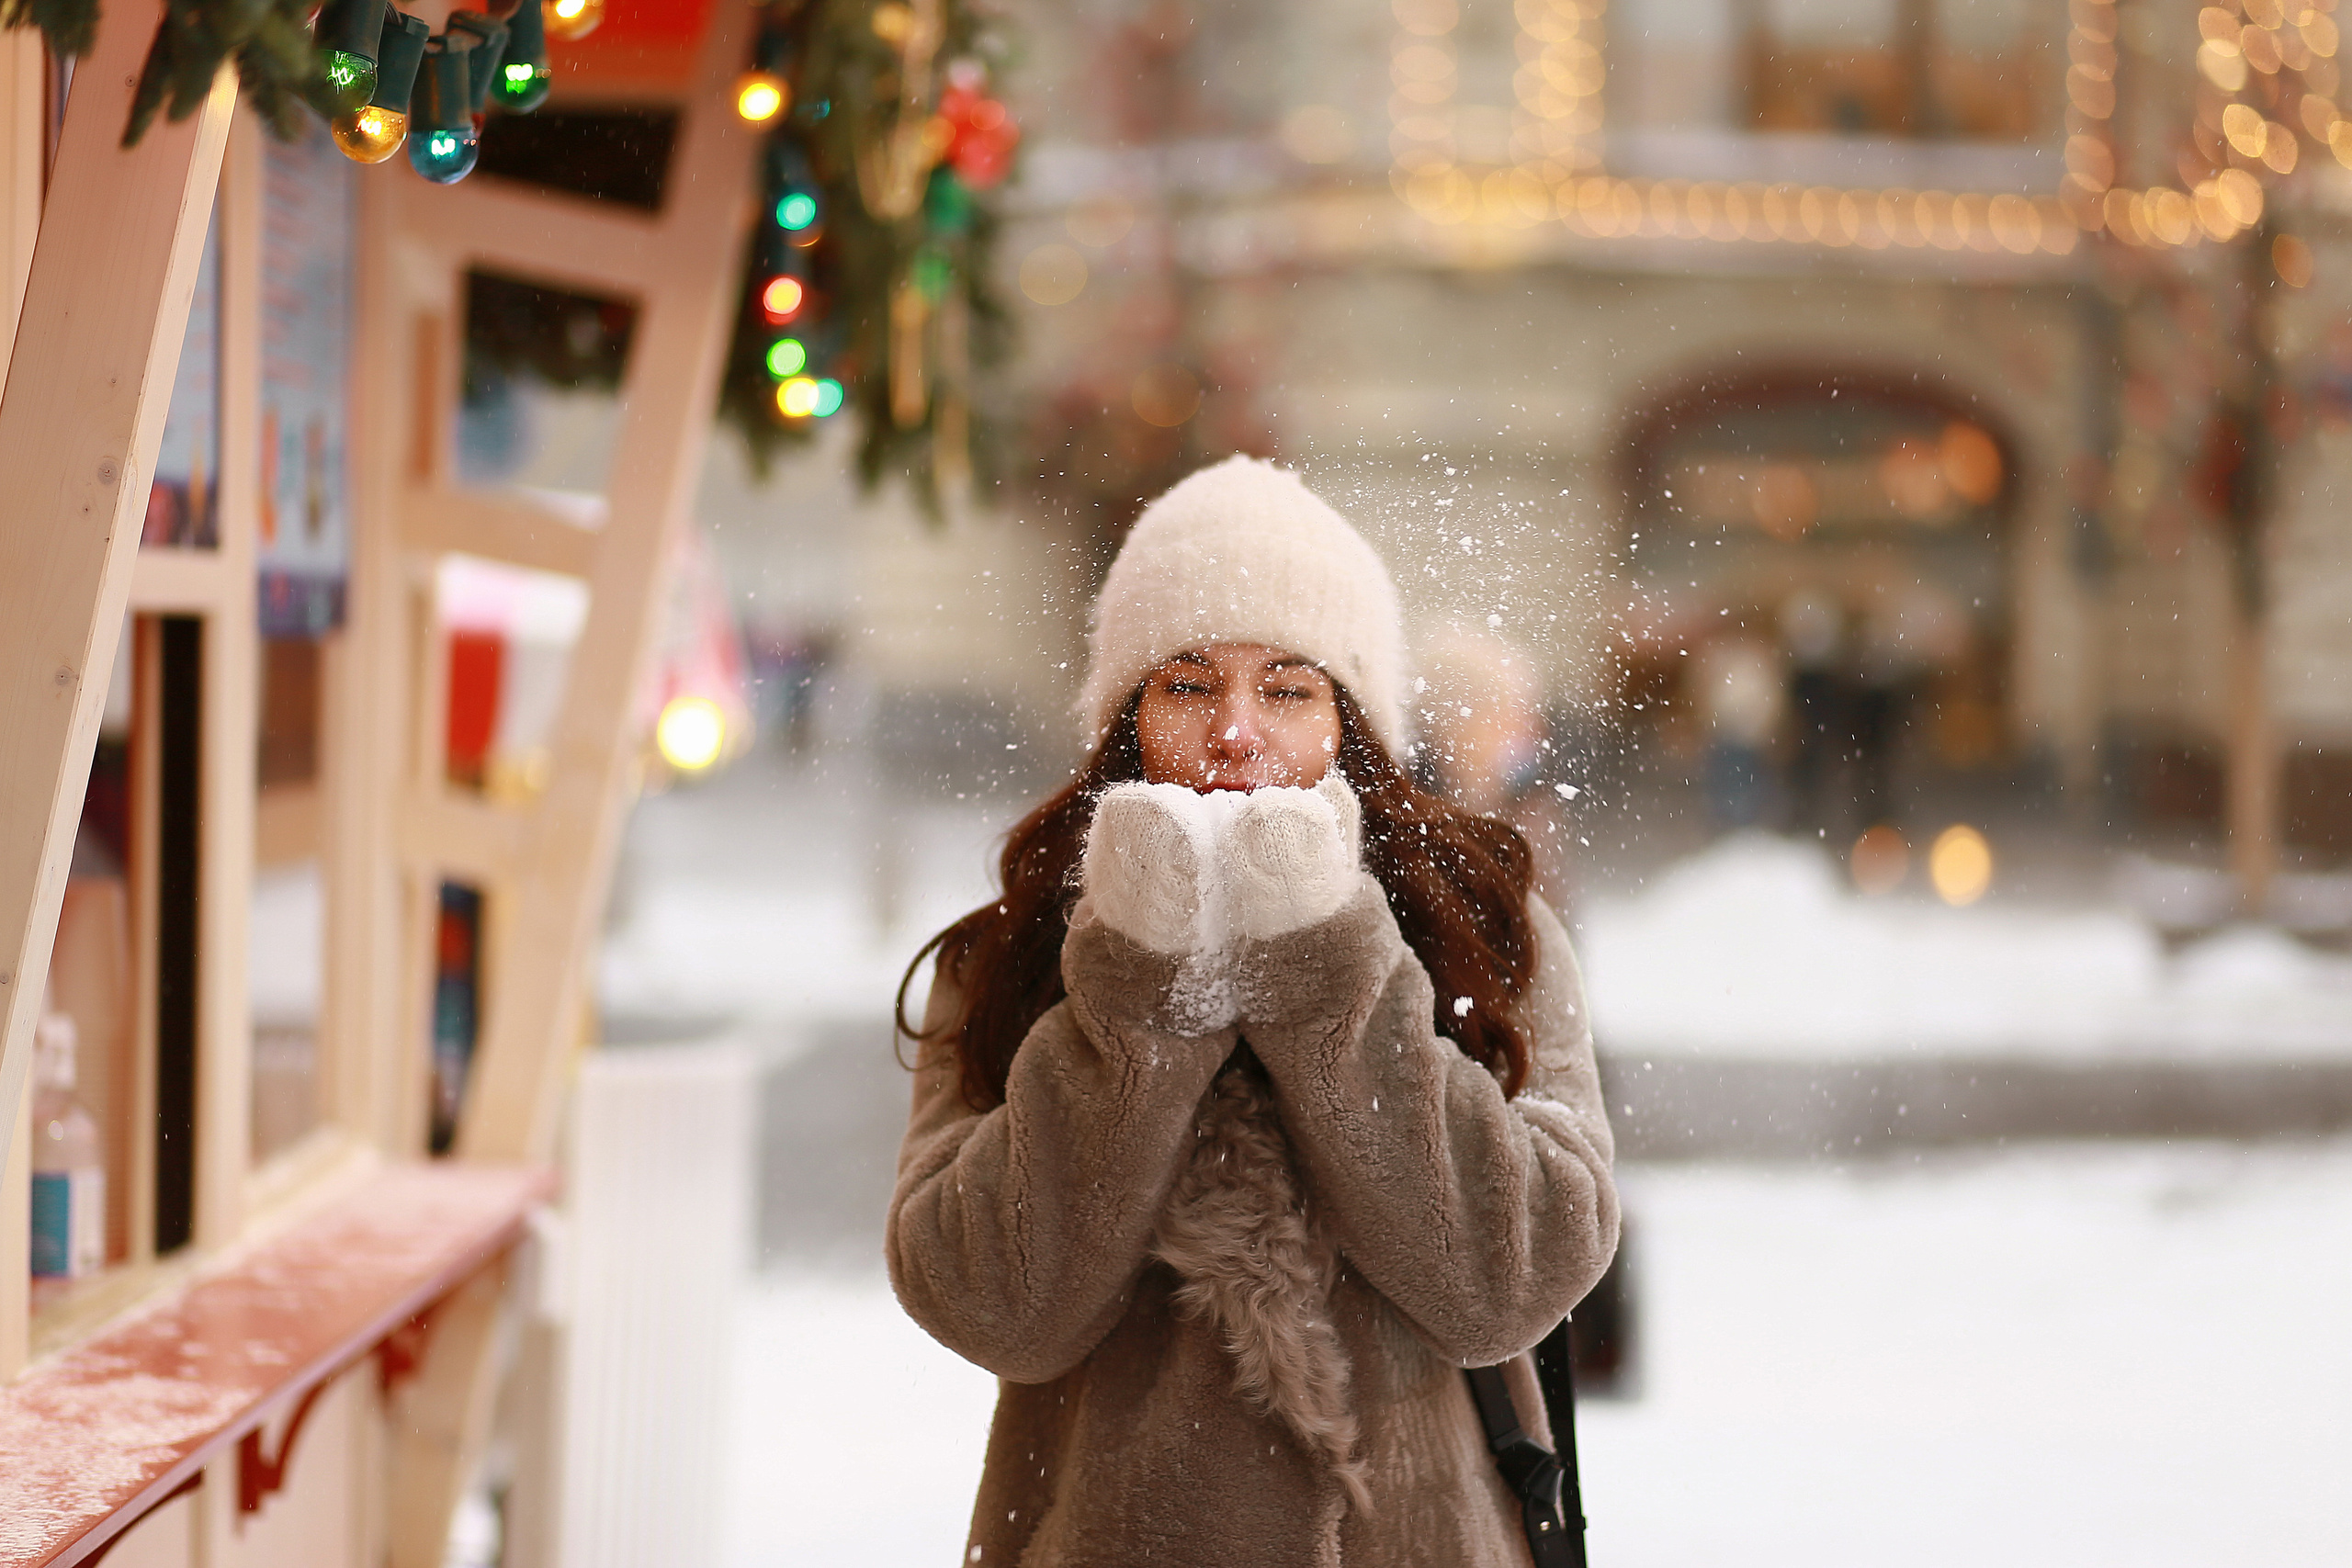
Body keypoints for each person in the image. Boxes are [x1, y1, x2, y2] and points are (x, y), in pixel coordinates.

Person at [888, 456, 1619, 1565]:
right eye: (1186, 685)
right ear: (1126, 719)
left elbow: (1503, 1286)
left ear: (1350, 722)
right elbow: (998, 1308)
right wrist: (1138, 981)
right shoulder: (1014, 951)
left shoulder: (1485, 929)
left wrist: (1323, 964)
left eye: (1286, 688)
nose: (1236, 731)